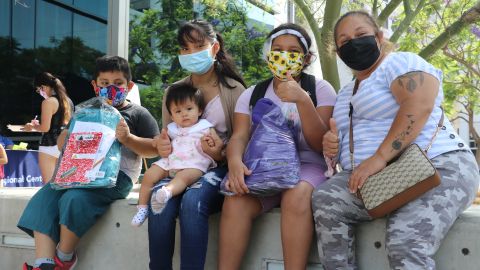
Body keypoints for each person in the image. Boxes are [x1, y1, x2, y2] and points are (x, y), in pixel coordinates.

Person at [312, 10, 480, 269]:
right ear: (336, 50)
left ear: (379, 37)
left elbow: (419, 104)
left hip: (437, 165)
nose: (353, 43)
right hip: (379, 180)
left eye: (361, 35)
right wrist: (331, 145)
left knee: (406, 240)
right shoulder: (344, 94)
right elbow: (346, 143)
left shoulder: (399, 63)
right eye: (344, 41)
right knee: (327, 199)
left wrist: (379, 158)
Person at [18, 55, 160, 270]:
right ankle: (43, 263)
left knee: (74, 199)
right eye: (104, 83)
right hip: (79, 172)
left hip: (116, 178)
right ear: (95, 86)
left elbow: (153, 149)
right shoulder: (86, 112)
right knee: (45, 197)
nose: (111, 88)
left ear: (129, 86)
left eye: (118, 83)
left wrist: (128, 139)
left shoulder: (138, 113)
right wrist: (64, 138)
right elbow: (61, 143)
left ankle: (63, 258)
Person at [218, 23, 336, 270]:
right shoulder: (252, 93)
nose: (284, 56)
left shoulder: (320, 90)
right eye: (278, 49)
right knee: (235, 200)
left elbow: (319, 144)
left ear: (306, 59)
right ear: (268, 54)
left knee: (296, 195)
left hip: (308, 165)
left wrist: (303, 100)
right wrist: (235, 163)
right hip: (265, 168)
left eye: (293, 51)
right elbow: (240, 136)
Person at [148, 19, 246, 270]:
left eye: (198, 46)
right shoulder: (175, 91)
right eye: (184, 49)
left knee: (193, 202)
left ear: (214, 48)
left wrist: (220, 153)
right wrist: (163, 146)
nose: (190, 54)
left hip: (217, 168)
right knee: (159, 202)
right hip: (179, 166)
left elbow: (244, 140)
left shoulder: (235, 90)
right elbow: (167, 136)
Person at [131, 83, 218, 227]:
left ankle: (168, 191)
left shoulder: (205, 126)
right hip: (172, 160)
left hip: (194, 163)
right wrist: (160, 141)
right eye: (178, 111)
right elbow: (160, 141)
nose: (184, 114)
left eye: (189, 109)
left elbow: (216, 144)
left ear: (200, 110)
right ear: (171, 116)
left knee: (183, 177)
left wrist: (211, 143)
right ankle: (142, 208)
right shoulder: (171, 129)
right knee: (149, 175)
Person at [23, 72, 74, 184]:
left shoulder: (48, 102)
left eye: (38, 90)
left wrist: (32, 127)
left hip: (49, 146)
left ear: (43, 87)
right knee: (63, 184)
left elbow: (45, 128)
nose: (39, 93)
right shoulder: (68, 102)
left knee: (48, 186)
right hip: (65, 144)